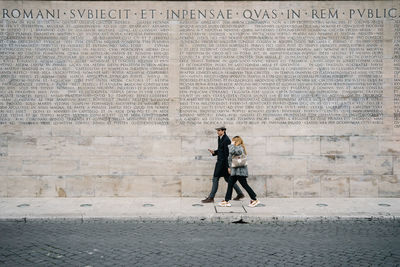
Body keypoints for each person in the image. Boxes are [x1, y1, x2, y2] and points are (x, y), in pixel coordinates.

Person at [201, 127, 244, 203]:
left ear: (223, 131)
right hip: (221, 163)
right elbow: (221, 151)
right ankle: (240, 193)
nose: (217, 132)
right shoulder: (221, 138)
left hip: (222, 164)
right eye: (217, 130)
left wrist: (228, 167)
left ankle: (211, 197)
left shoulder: (226, 140)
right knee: (228, 179)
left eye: (219, 130)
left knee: (215, 179)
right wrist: (214, 152)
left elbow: (227, 154)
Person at [218, 136, 260, 208]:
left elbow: (233, 152)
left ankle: (254, 199)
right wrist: (229, 167)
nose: (232, 142)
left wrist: (231, 145)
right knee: (230, 184)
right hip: (235, 171)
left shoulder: (240, 147)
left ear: (236, 141)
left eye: (233, 141)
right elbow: (230, 157)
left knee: (244, 185)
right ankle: (226, 201)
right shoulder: (236, 148)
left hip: (240, 171)